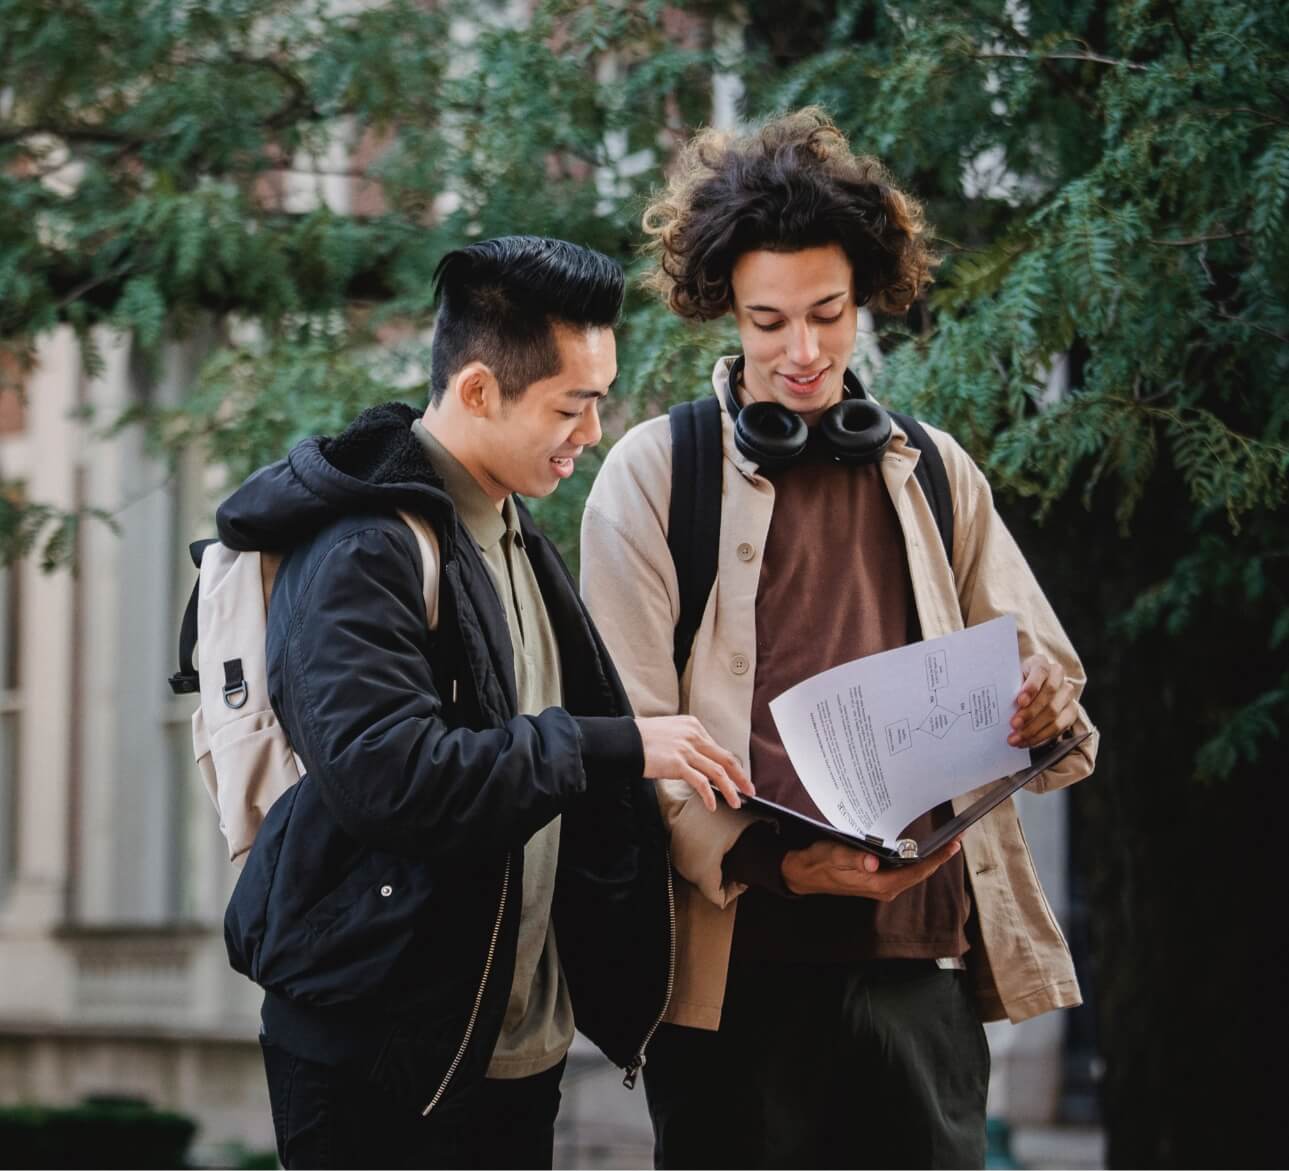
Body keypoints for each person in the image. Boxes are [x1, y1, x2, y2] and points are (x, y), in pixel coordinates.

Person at [580, 109, 1099, 1169]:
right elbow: (622, 742)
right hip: (735, 976)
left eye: (827, 313)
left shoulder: (936, 468)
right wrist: (779, 862)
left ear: (867, 294)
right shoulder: (650, 474)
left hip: (921, 967)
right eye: (767, 323)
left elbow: (1049, 691)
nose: (802, 352)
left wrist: (1042, 703)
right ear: (724, 308)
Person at [216, 235, 752, 1169]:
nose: (592, 432)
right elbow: (389, 774)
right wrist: (615, 745)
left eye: (599, 401)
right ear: (475, 391)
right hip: (380, 1051)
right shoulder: (364, 548)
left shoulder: (511, 532)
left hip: (509, 1050)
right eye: (570, 406)